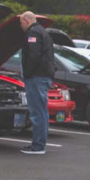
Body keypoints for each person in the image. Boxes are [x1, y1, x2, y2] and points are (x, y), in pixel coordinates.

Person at [19, 11, 55, 155]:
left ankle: (38, 145)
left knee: (37, 112)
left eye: (21, 23)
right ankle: (40, 143)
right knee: (42, 111)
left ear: (27, 21)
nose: (20, 26)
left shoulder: (33, 34)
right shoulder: (44, 33)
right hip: (44, 76)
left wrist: (27, 73)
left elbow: (33, 56)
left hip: (36, 77)